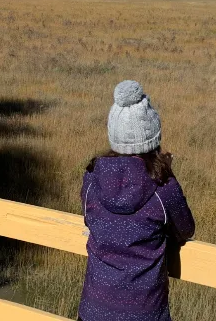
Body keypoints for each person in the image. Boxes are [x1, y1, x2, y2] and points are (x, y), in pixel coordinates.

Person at [78, 80, 195, 321]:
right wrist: (168, 173)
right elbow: (185, 229)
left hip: (93, 311)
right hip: (145, 313)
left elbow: (91, 220)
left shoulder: (92, 177)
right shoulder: (163, 186)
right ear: (153, 135)